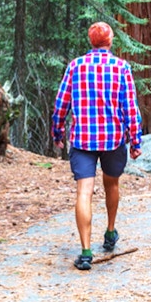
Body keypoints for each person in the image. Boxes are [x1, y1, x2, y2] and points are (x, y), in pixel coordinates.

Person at [52, 21, 142, 271]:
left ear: (91, 42)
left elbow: (61, 103)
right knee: (111, 183)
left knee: (84, 192)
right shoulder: (121, 67)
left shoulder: (75, 66)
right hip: (113, 139)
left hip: (82, 140)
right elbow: (130, 107)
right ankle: (110, 231)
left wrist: (57, 131)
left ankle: (85, 251)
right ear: (110, 40)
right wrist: (136, 140)